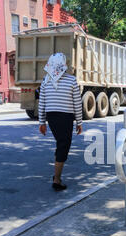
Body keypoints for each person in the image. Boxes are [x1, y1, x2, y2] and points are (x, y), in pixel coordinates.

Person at [38, 53, 83, 191]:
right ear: (64, 65)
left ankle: (57, 174)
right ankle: (56, 180)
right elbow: (77, 103)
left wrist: (42, 122)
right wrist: (79, 122)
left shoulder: (46, 80)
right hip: (66, 117)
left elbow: (42, 102)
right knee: (64, 145)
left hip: (52, 117)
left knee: (61, 143)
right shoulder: (72, 80)